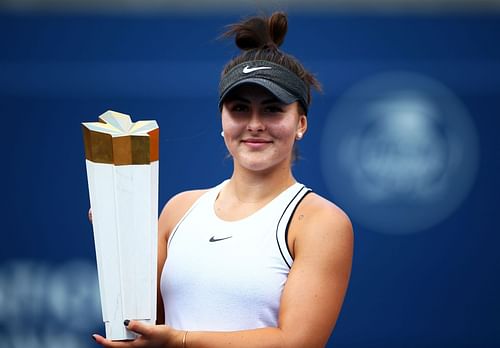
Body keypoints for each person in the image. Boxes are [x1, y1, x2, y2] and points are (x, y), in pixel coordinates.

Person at [93, 11, 353, 348]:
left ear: (301, 123)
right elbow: (141, 326)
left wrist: (182, 341)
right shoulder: (179, 209)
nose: (255, 124)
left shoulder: (321, 222)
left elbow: (297, 342)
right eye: (240, 108)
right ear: (222, 118)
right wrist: (118, 246)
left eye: (273, 109)